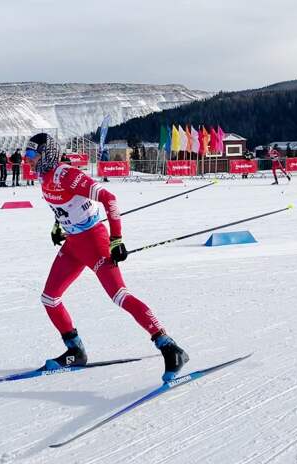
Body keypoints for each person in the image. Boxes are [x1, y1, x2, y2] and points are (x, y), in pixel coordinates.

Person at [23, 132, 189, 382]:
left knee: (119, 296)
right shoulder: (44, 177)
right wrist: (58, 225)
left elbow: (109, 199)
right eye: (27, 155)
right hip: (73, 245)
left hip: (94, 242)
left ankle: (169, 346)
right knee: (50, 298)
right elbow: (63, 206)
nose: (28, 160)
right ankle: (75, 350)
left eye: (32, 155)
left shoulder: (66, 174)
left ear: (47, 155)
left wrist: (117, 239)